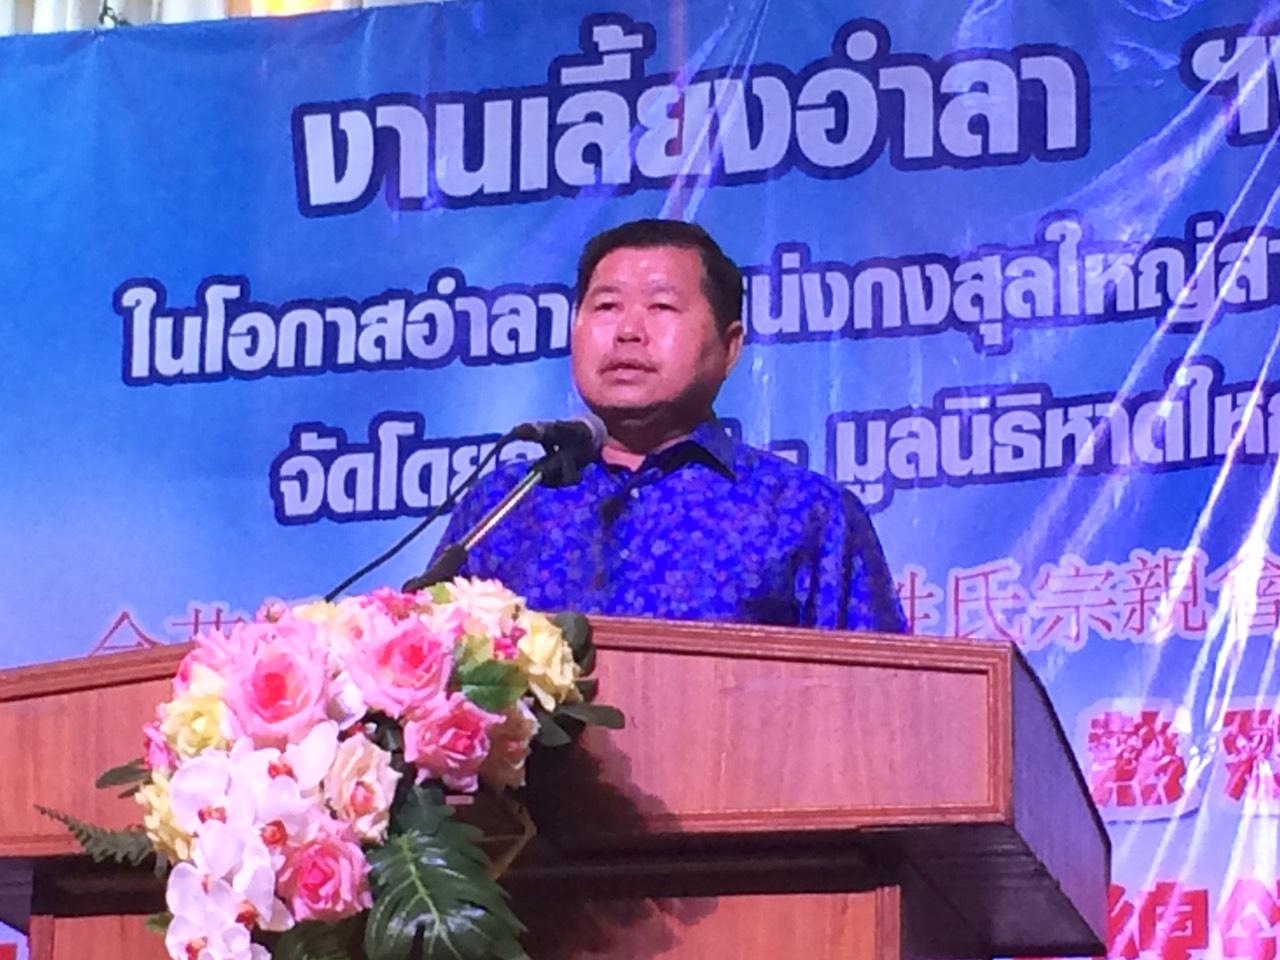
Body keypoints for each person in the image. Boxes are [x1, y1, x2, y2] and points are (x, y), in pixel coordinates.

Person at [430, 219, 906, 632]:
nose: (628, 331)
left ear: (729, 347)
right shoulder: (506, 504)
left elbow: (877, 692)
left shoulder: (803, 512)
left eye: (661, 307)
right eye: (607, 306)